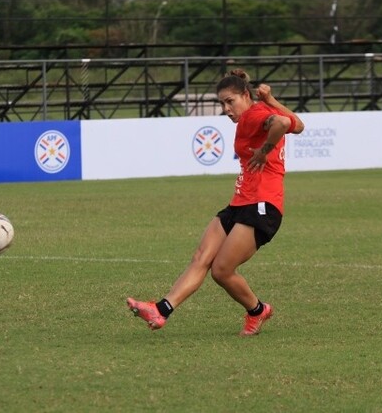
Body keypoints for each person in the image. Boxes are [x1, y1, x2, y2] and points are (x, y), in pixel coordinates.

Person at [127, 69, 305, 336]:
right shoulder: (257, 112)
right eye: (222, 103)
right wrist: (271, 99)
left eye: (230, 101)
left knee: (221, 270)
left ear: (246, 95)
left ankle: (258, 311)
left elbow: (280, 124)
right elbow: (298, 125)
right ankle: (160, 310)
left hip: (262, 205)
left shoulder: (253, 116)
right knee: (201, 257)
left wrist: (264, 150)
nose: (226, 109)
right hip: (240, 202)